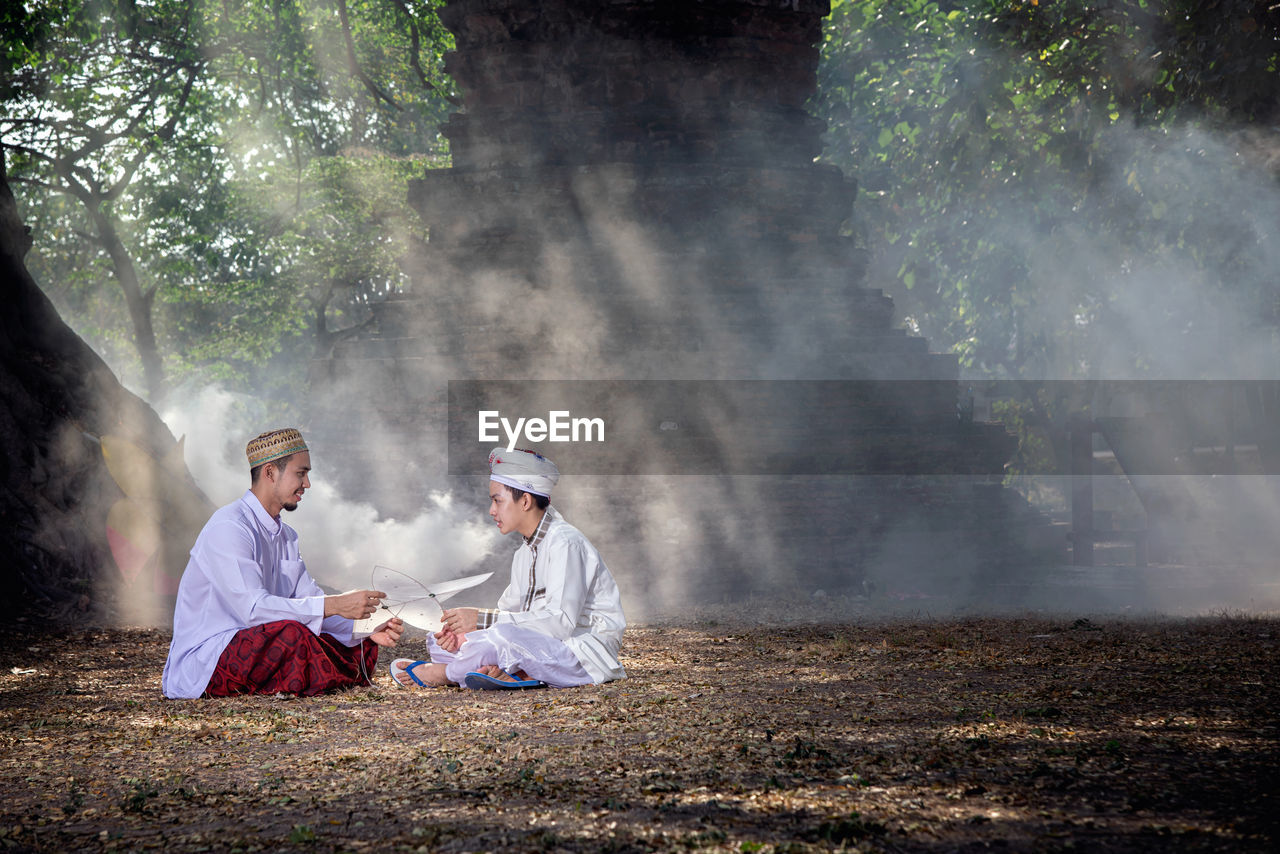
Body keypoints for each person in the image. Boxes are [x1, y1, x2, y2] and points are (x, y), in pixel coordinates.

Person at [162, 428, 403, 699]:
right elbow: (252, 610)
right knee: (293, 634)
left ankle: (317, 675)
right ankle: (317, 677)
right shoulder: (230, 526)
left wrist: (366, 628)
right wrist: (335, 604)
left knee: (357, 643)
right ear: (269, 473)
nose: (307, 484)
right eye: (301, 473)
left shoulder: (286, 535)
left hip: (264, 637)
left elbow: (309, 601)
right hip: (210, 657)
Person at [391, 448, 625, 690]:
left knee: (500, 637)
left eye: (497, 500)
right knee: (443, 637)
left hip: (581, 652)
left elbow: (560, 623)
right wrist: (462, 632)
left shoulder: (565, 542)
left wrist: (481, 620)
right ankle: (510, 673)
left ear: (524, 500)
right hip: (540, 647)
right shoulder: (524, 552)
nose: (492, 511)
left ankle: (448, 674)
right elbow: (509, 613)